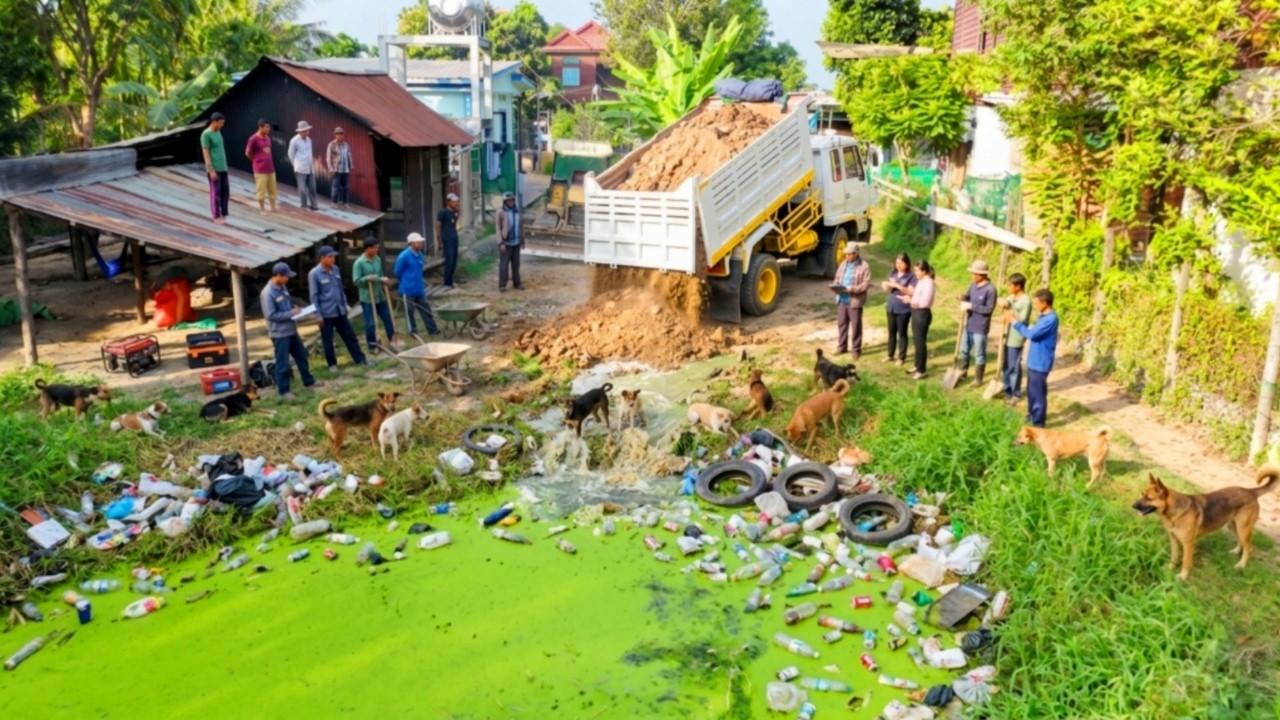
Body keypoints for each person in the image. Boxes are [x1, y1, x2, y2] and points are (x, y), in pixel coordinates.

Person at [260, 262, 323, 400]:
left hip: (291, 330)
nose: (288, 279)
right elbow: (270, 315)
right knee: (283, 362)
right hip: (279, 333)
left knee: (301, 355)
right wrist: (290, 313)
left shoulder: (282, 287)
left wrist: (294, 308)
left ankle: (309, 381)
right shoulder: (268, 293)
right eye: (286, 277)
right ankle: (284, 390)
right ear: (278, 276)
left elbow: (286, 304)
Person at [308, 245, 368, 371]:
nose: (333, 259)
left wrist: (345, 304)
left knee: (350, 336)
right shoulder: (314, 274)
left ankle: (360, 359)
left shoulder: (335, 269)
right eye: (330, 257)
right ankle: (332, 365)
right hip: (326, 313)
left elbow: (340, 289)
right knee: (328, 341)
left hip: (339, 310)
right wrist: (318, 315)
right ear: (322, 258)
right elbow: (314, 296)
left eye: (333, 257)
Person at [1005, 289, 1059, 428]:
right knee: (1031, 391)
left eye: (1036, 303)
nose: (1034, 306)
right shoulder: (1043, 317)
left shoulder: (1050, 319)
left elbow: (1032, 335)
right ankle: (1031, 415)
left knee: (1038, 393)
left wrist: (1014, 322)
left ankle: (1038, 424)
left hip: (1041, 362)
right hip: (1034, 361)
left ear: (1045, 303)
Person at [351, 236, 398, 352]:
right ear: (367, 248)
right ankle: (372, 346)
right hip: (367, 297)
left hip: (379, 295)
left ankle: (393, 341)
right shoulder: (359, 263)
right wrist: (367, 279)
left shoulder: (377, 259)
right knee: (370, 323)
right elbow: (356, 281)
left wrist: (383, 280)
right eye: (375, 248)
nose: (377, 250)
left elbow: (380, 275)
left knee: (388, 318)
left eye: (377, 248)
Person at [956, 259, 996, 386]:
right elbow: (968, 296)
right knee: (964, 349)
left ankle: (978, 379)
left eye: (975, 274)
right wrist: (963, 298)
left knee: (979, 353)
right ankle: (962, 372)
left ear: (982, 275)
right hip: (969, 323)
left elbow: (989, 309)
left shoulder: (991, 290)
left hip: (980, 326)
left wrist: (971, 306)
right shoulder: (973, 285)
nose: (973, 276)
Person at [393, 233, 441, 338]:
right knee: (409, 312)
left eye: (421, 243)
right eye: (418, 243)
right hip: (407, 289)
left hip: (419, 289)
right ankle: (413, 332)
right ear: (411, 244)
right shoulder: (404, 256)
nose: (421, 244)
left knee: (426, 309)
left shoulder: (420, 255)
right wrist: (406, 281)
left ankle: (433, 329)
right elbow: (397, 272)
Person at [899, 259, 936, 380]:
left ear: (924, 271)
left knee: (920, 343)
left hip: (922, 314)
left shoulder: (929, 283)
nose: (915, 273)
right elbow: (918, 295)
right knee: (916, 341)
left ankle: (922, 370)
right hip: (916, 312)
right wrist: (909, 294)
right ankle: (917, 365)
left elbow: (924, 302)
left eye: (917, 271)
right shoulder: (921, 281)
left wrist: (911, 300)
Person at [999, 273, 1033, 404]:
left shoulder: (1026, 300)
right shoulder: (1011, 297)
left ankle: (1016, 393)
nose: (1008, 287)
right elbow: (1005, 304)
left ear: (1018, 286)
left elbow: (1022, 319)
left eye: (1010, 285)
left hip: (1017, 337)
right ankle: (1007, 390)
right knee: (1006, 364)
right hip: (1007, 335)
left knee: (1014, 366)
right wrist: (1003, 303)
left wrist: (1011, 313)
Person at [833, 241, 871, 357]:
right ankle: (842, 347)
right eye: (846, 254)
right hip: (842, 300)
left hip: (854, 301)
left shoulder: (864, 266)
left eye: (849, 254)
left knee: (856, 326)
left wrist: (852, 289)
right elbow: (837, 278)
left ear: (856, 254)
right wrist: (835, 286)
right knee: (842, 324)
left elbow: (865, 285)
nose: (847, 256)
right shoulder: (843, 264)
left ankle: (856, 349)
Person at [882, 252, 917, 366]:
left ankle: (901, 357)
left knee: (902, 333)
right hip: (891, 306)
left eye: (901, 263)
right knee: (891, 332)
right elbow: (888, 289)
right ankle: (890, 354)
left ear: (907, 264)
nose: (898, 265)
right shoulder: (893, 272)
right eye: (897, 262)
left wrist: (896, 285)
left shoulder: (911, 276)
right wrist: (886, 285)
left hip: (903, 308)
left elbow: (910, 291)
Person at [245, 119, 277, 214]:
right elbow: (247, 153)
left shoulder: (267, 138)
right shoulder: (253, 139)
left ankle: (273, 207)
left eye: (269, 127)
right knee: (261, 190)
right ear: (260, 127)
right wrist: (255, 160)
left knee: (272, 189)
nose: (268, 129)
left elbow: (269, 150)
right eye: (266, 127)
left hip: (270, 168)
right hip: (260, 169)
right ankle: (262, 209)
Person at [201, 113, 229, 224]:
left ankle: (224, 213)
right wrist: (211, 170)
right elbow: (206, 154)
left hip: (223, 167)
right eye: (221, 123)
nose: (222, 125)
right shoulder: (206, 135)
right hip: (214, 168)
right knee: (215, 193)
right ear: (214, 122)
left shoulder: (218, 132)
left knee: (225, 192)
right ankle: (216, 215)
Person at [495, 191, 524, 292]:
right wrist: (501, 243)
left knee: (516, 265)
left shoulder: (517, 211)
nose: (510, 202)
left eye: (512, 200)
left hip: (516, 242)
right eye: (508, 200)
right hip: (506, 243)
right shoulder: (501, 212)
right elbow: (498, 228)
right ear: (504, 201)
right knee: (504, 265)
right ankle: (502, 285)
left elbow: (521, 227)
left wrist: (522, 240)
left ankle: (517, 283)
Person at [288, 120, 317, 211]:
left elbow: (310, 153)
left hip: (309, 167)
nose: (307, 132)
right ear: (300, 131)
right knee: (302, 189)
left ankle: (314, 205)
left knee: (312, 187)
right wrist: (296, 165)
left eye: (307, 130)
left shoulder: (309, 140)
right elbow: (290, 154)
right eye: (305, 130)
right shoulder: (294, 141)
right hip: (300, 168)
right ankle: (303, 205)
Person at [436, 193, 461, 291]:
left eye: (457, 201)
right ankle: (446, 282)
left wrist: (457, 214)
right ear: (448, 202)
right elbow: (438, 225)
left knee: (454, 260)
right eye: (454, 202)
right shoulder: (443, 212)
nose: (456, 203)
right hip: (447, 239)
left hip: (454, 238)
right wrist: (440, 240)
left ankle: (451, 281)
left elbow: (454, 223)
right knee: (449, 261)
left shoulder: (454, 212)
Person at [326, 127, 352, 207]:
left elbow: (349, 156)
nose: (340, 135)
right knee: (335, 186)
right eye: (338, 134)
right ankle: (334, 202)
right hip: (336, 169)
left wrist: (350, 165)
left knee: (346, 187)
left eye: (341, 134)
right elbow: (328, 157)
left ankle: (345, 202)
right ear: (335, 135)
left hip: (345, 169)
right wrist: (330, 168)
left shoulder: (346, 145)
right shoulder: (332, 145)